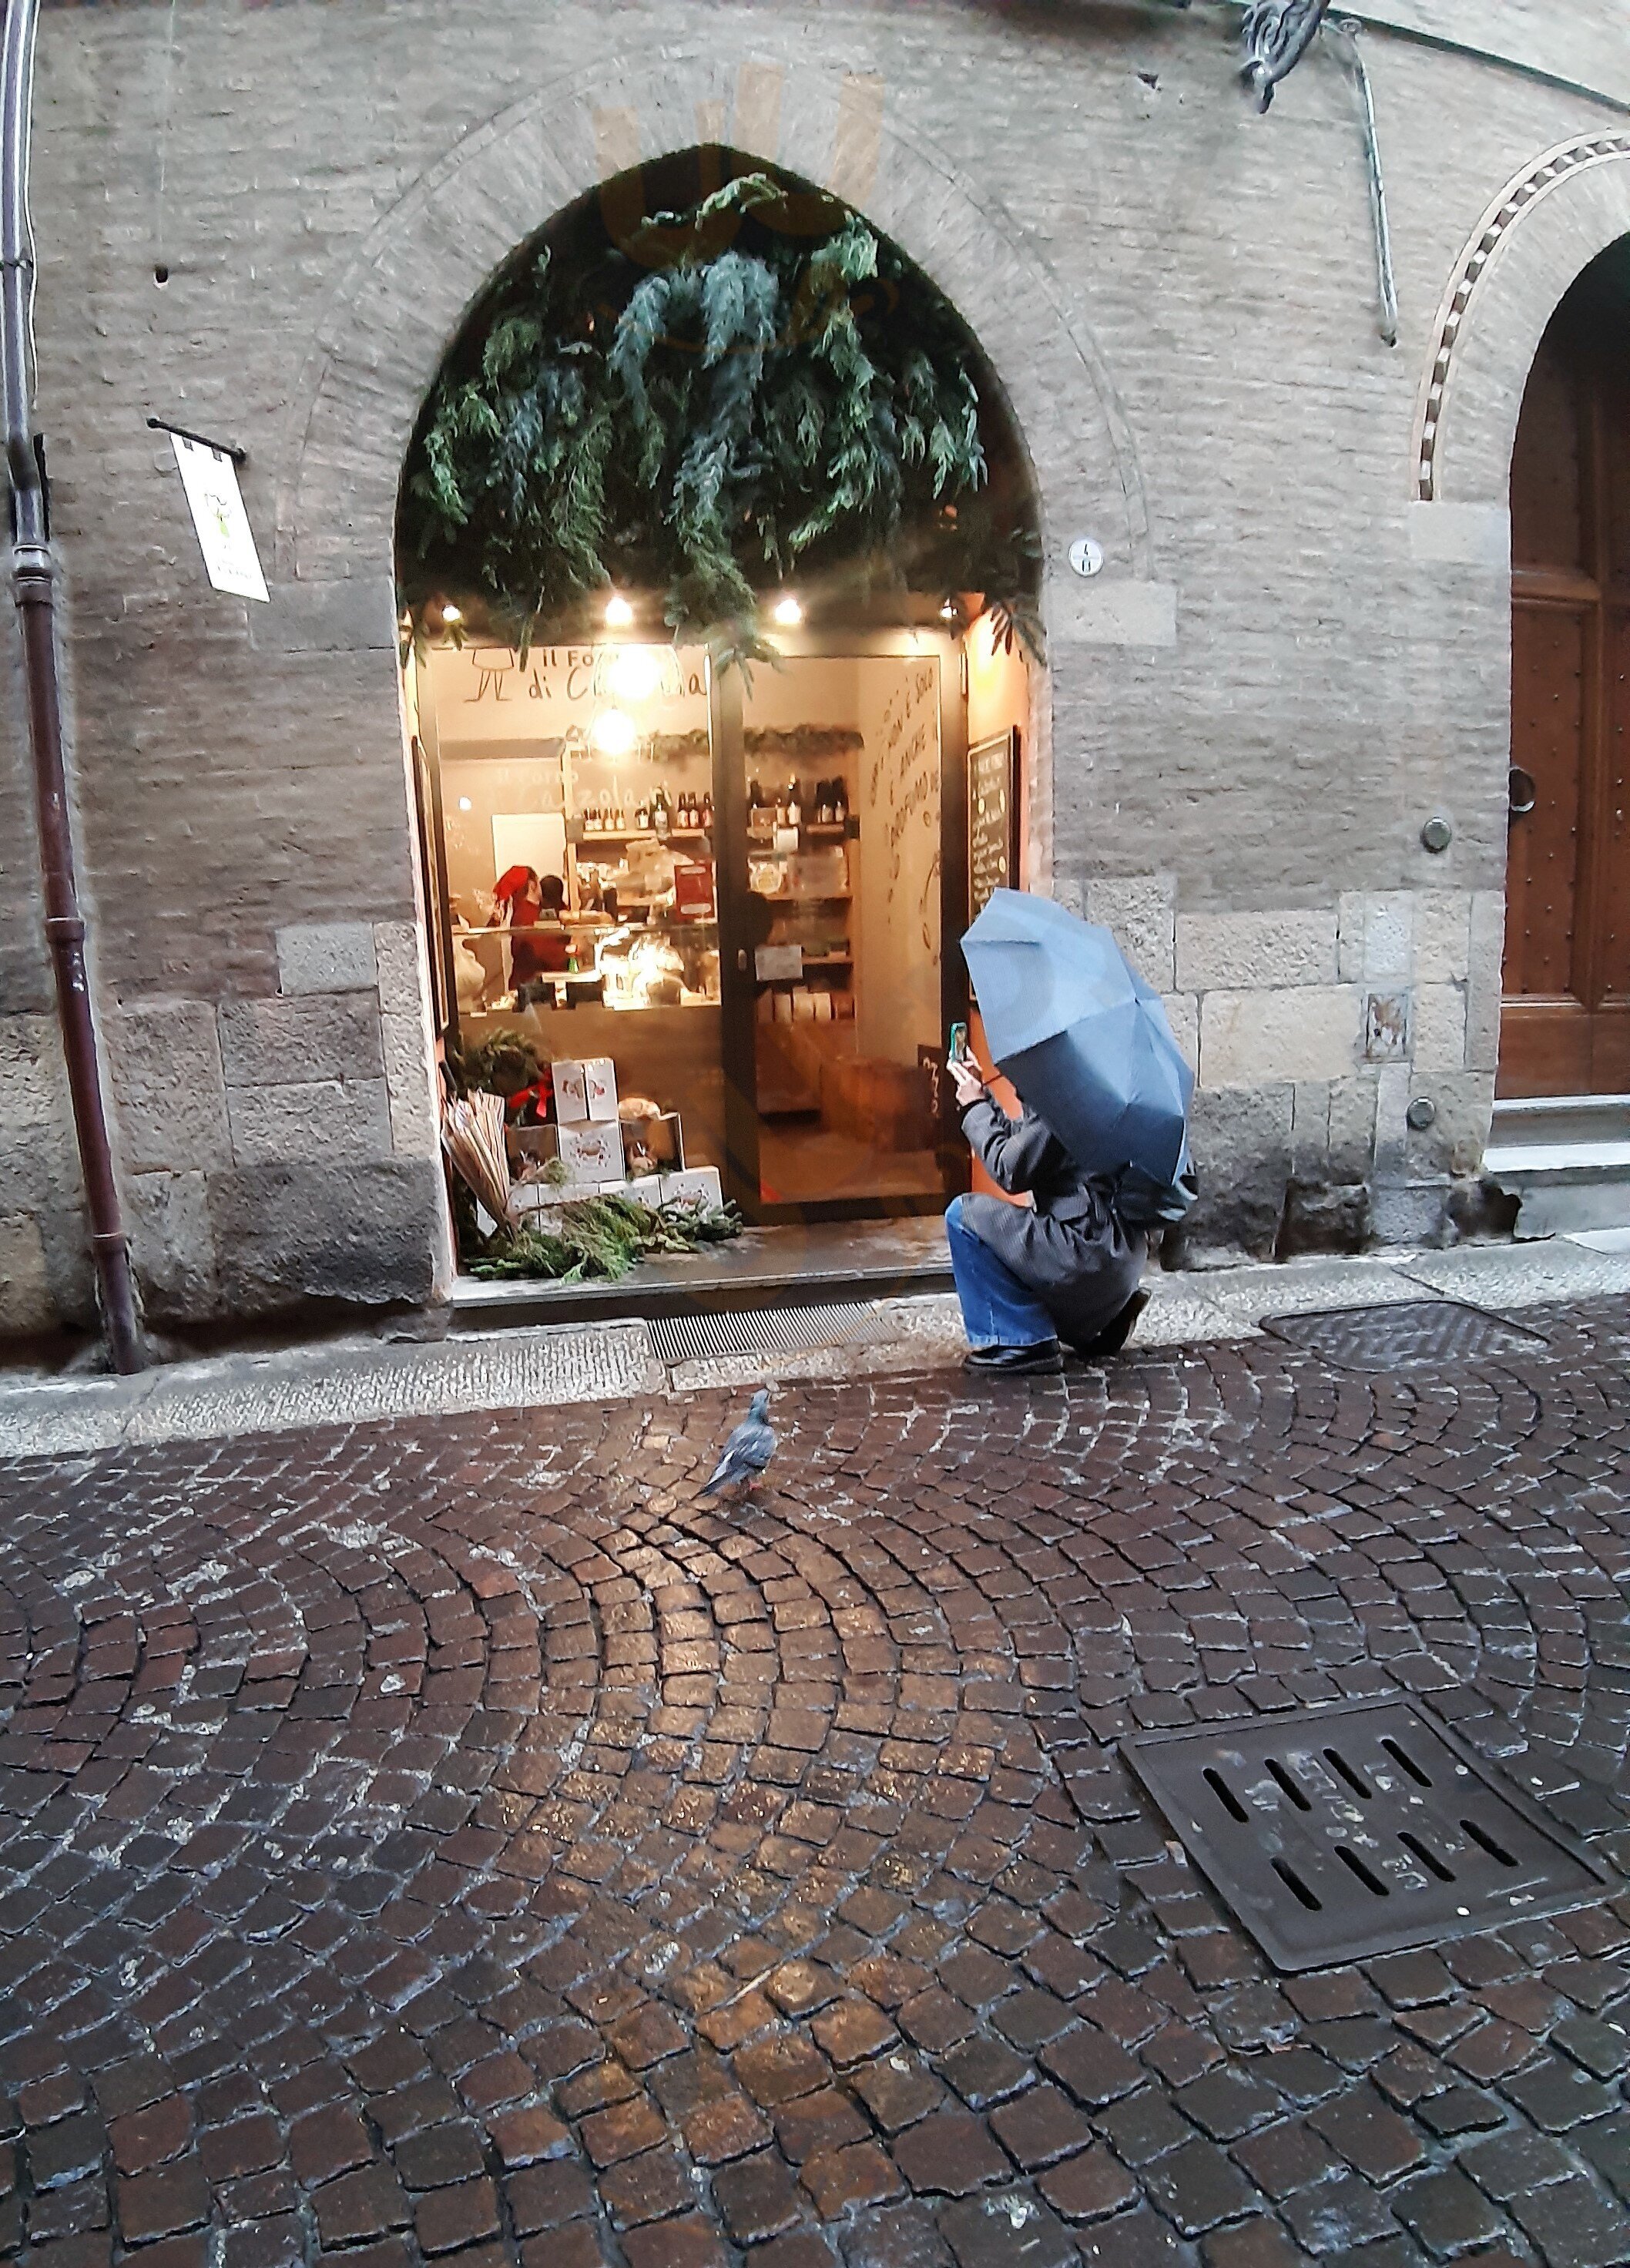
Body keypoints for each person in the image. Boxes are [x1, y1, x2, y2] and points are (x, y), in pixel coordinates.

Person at [945, 1043, 1148, 1376]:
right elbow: (1027, 1149)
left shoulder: (1067, 1101)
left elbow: (1010, 1169)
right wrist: (982, 1097)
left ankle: (1023, 1340)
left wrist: (973, 1107)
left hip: (1088, 1254)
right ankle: (1099, 1321)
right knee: (1028, 1234)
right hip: (1120, 1255)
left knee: (964, 1217)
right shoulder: (1098, 1080)